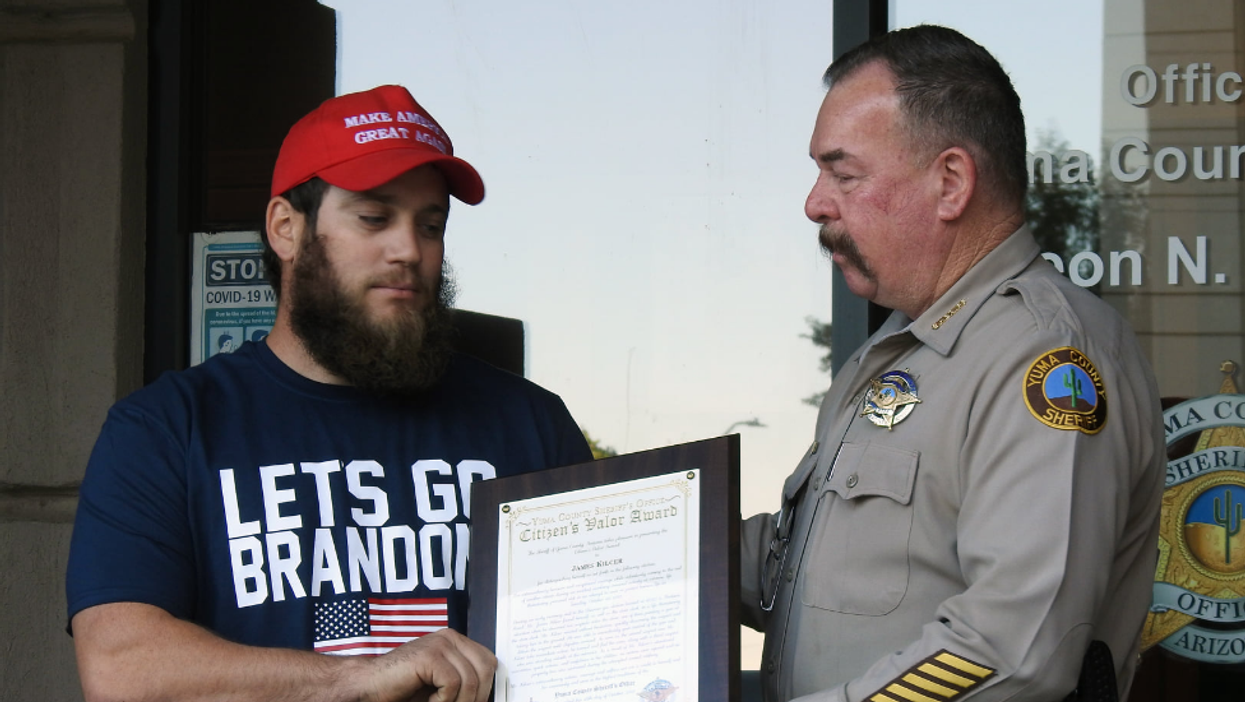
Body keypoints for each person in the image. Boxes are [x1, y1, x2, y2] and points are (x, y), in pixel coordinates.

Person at [67, 84, 593, 702]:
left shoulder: (529, 424)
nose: (410, 250)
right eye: (375, 217)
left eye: (431, 224)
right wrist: (356, 678)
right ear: (286, 229)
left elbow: (606, 633)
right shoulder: (166, 429)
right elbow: (121, 669)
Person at [740, 25, 1164, 702]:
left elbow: (1012, 651)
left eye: (842, 173)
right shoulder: (893, 354)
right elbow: (807, 571)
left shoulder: (1046, 359)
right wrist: (652, 552)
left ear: (950, 182)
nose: (814, 202)